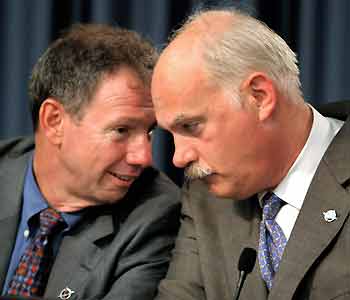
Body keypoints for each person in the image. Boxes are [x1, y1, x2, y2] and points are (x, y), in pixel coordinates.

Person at [151, 7, 350, 300]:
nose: (178, 158)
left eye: (191, 126)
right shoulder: (204, 197)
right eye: (171, 133)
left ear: (259, 97)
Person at [0, 24, 181, 300]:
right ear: (54, 121)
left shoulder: (155, 214)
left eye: (149, 132)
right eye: (121, 130)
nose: (144, 157)